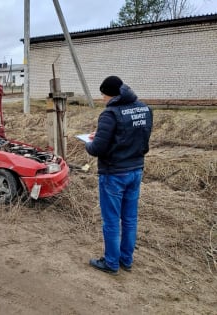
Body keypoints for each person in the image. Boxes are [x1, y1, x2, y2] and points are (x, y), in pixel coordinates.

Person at [85, 75, 153, 275]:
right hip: (136, 171)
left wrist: (88, 143)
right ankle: (126, 260)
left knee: (112, 220)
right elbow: (139, 140)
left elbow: (97, 148)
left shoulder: (110, 114)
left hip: (114, 174)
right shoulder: (144, 109)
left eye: (103, 95)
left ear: (110, 94)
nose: (102, 99)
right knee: (130, 218)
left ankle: (111, 263)